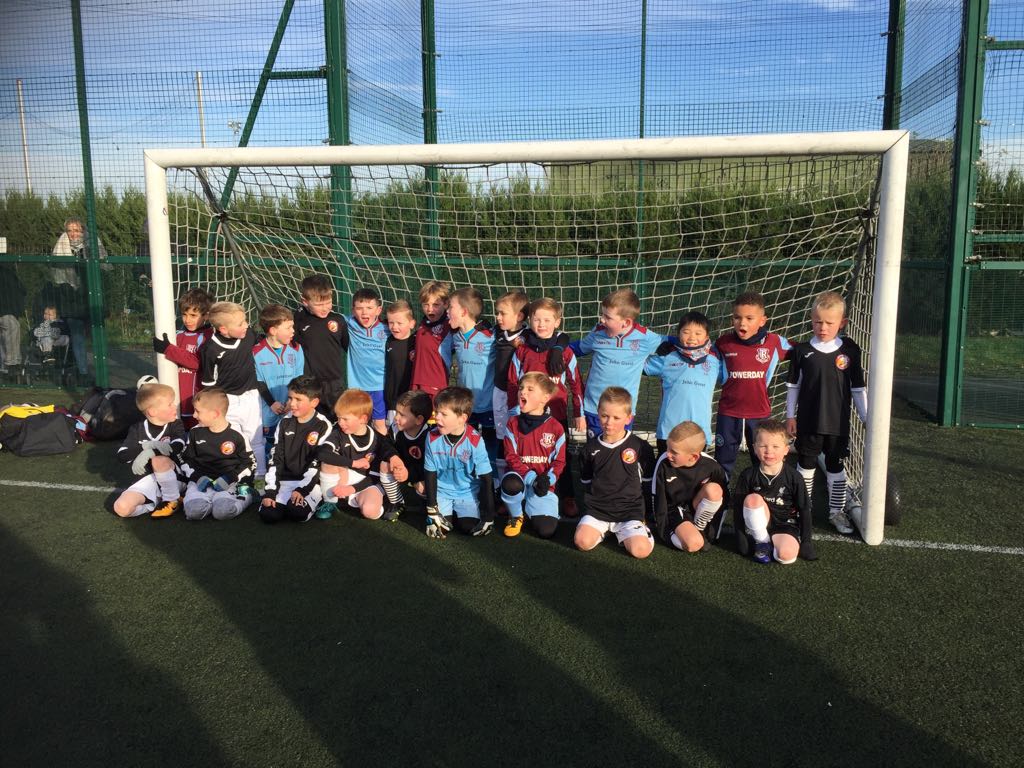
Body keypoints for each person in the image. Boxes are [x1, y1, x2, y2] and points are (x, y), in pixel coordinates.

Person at [785, 290, 868, 535]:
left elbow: (857, 387)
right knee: (806, 464)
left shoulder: (850, 350)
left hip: (838, 424)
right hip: (809, 422)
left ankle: (836, 512)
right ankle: (804, 509)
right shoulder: (801, 351)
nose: (822, 327)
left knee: (836, 467)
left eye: (829, 323)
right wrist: (790, 416)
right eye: (817, 321)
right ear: (811, 319)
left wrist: (866, 417)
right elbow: (793, 387)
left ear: (842, 323)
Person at [506, 297, 584, 516]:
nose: (541, 324)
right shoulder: (522, 349)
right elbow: (513, 382)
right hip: (527, 414)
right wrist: (515, 409)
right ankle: (516, 494)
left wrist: (578, 413)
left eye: (547, 320)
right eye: (536, 319)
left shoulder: (565, 352)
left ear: (557, 322)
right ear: (530, 320)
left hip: (556, 415)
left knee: (560, 457)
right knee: (526, 454)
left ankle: (567, 496)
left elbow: (576, 383)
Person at [570, 288, 667, 439]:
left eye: (607, 317)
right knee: (596, 451)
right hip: (594, 407)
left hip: (623, 411)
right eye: (602, 315)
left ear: (626, 322)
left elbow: (674, 344)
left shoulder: (645, 337)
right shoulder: (598, 332)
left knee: (618, 452)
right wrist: (556, 346)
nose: (602, 320)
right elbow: (578, 348)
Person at [714, 291, 790, 478]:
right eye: (737, 317)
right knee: (723, 461)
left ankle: (764, 496)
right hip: (729, 412)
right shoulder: (723, 343)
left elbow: (803, 352)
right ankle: (721, 502)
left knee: (764, 459)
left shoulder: (774, 342)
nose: (742, 323)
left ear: (762, 321)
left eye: (749, 318)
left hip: (759, 413)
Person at [575, 386, 657, 559]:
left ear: (629, 418)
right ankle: (604, 530)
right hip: (598, 511)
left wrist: (645, 512)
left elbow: (648, 483)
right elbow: (586, 483)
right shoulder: (589, 449)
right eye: (604, 416)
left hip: (629, 512)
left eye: (616, 417)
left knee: (640, 551)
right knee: (582, 542)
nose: (609, 422)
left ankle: (638, 530)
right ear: (598, 413)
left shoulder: (640, 447)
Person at [733, 419, 816, 565]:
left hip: (785, 524)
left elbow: (804, 509)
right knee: (752, 499)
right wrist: (740, 536)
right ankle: (762, 542)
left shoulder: (794, 477)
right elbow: (739, 508)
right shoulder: (748, 475)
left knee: (786, 556)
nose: (769, 451)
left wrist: (806, 542)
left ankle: (772, 544)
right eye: (763, 445)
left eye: (775, 446)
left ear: (786, 450)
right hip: (758, 523)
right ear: (754, 447)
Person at [197, 301, 265, 477]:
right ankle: (235, 475)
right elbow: (209, 384)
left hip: (251, 396)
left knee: (256, 438)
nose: (247, 326)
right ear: (223, 329)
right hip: (228, 401)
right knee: (231, 440)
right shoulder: (210, 350)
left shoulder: (249, 335)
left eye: (245, 321)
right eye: (240, 323)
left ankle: (260, 476)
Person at [422, 386, 496, 538]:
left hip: (467, 492)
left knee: (468, 527)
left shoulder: (475, 441)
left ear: (462, 418)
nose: (437, 417)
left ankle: (461, 512)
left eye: (444, 414)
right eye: (437, 412)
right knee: (441, 528)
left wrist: (489, 517)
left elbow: (487, 479)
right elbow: (430, 473)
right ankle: (445, 512)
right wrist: (431, 509)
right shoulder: (431, 437)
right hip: (442, 491)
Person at [644, 311, 720, 456]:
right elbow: (635, 365)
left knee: (694, 476)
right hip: (669, 431)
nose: (692, 337)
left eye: (698, 333)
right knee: (666, 474)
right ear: (678, 334)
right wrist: (654, 349)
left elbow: (733, 375)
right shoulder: (668, 357)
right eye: (686, 332)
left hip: (699, 433)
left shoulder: (715, 361)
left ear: (707, 337)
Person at [260, 376, 333, 524]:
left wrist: (302, 490)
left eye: (298, 400)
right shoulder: (285, 423)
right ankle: (280, 501)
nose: (291, 404)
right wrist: (270, 491)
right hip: (284, 481)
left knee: (296, 512)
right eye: (290, 398)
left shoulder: (323, 425)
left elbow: (317, 463)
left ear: (314, 402)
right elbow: (276, 458)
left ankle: (312, 501)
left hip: (308, 483)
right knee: (269, 515)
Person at [501, 372, 566, 539]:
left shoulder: (556, 428)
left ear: (544, 398)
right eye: (521, 388)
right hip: (521, 479)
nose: (523, 392)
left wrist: (547, 480)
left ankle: (532, 505)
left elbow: (559, 462)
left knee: (546, 531)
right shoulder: (512, 423)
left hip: (542, 484)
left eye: (530, 389)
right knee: (511, 483)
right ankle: (516, 515)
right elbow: (510, 456)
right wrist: (531, 478)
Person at [316, 388, 397, 521]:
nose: (340, 422)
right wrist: (354, 463)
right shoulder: (338, 432)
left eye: (345, 419)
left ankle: (365, 499)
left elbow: (375, 477)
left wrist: (352, 489)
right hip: (346, 475)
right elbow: (322, 453)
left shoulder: (377, 440)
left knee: (370, 511)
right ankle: (329, 501)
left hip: (368, 483)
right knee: (329, 461)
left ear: (363, 419)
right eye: (339, 418)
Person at [178, 387, 257, 521]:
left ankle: (247, 496)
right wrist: (197, 478)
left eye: (197, 411)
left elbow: (250, 464)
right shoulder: (194, 433)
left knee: (222, 512)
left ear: (215, 414)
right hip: (200, 481)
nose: (194, 416)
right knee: (194, 512)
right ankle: (208, 500)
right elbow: (185, 460)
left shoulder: (237, 435)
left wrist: (229, 478)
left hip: (228, 483)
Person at [112, 383, 187, 518]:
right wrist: (144, 447)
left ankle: (171, 501)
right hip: (149, 479)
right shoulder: (137, 429)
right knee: (121, 508)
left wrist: (151, 452)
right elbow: (122, 456)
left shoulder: (175, 424)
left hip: (175, 478)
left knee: (158, 460)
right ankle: (154, 504)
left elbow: (177, 447)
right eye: (170, 404)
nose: (174, 406)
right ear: (152, 412)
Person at [650, 421, 728, 552]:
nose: (668, 454)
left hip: (695, 508)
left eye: (674, 452)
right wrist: (663, 531)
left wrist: (715, 534)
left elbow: (725, 500)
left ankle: (698, 527)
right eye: (668, 448)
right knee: (693, 544)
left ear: (693, 457)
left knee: (714, 490)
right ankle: (691, 535)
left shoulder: (711, 466)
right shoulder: (663, 464)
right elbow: (657, 500)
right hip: (674, 511)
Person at [448, 287, 499, 470]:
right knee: (465, 442)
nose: (447, 312)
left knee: (490, 445)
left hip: (488, 405)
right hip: (465, 405)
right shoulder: (455, 337)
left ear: (463, 311)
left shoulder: (490, 336)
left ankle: (493, 483)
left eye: (450, 307)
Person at [48, 217, 107, 377]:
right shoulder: (61, 246)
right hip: (71, 301)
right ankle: (83, 372)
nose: (73, 234)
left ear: (83, 231)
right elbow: (58, 276)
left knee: (96, 337)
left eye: (77, 230)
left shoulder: (92, 244)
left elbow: (103, 269)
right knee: (78, 337)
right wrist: (69, 290)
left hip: (92, 299)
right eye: (70, 230)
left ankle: (101, 372)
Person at [151, 287, 214, 428]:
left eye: (193, 315)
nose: (187, 320)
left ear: (206, 316)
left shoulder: (208, 337)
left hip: (196, 398)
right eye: (184, 314)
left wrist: (168, 349)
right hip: (175, 396)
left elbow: (196, 362)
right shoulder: (177, 335)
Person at [253, 303, 306, 465]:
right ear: (273, 330)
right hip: (269, 410)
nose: (293, 331)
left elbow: (299, 380)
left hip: (291, 408)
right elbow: (258, 381)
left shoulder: (296, 349)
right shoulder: (255, 352)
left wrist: (292, 401)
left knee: (290, 445)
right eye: (288, 327)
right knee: (268, 448)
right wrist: (272, 403)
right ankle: (265, 480)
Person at [293, 274, 348, 419]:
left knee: (339, 420)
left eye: (328, 302)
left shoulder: (338, 320)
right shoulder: (298, 320)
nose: (325, 308)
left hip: (335, 383)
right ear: (305, 301)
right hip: (310, 384)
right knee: (312, 423)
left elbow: (347, 346)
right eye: (319, 304)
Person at [491, 290, 529, 479]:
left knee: (519, 434)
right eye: (497, 313)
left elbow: (559, 338)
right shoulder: (497, 332)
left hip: (519, 393)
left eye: (503, 313)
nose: (498, 317)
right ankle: (501, 481)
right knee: (501, 435)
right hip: (499, 390)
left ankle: (522, 475)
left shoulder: (528, 336)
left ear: (519, 316)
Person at [378, 389, 432, 522]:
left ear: (419, 419)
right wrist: (393, 457)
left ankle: (430, 503)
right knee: (385, 465)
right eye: (396, 412)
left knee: (424, 487)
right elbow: (385, 444)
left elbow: (431, 466)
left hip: (420, 473)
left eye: (402, 415)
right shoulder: (396, 428)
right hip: (401, 468)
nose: (396, 417)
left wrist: (410, 474)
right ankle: (397, 503)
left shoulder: (430, 436)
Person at [345, 288, 389, 434]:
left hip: (379, 386)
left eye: (370, 308)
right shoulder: (349, 324)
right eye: (359, 308)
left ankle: (384, 455)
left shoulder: (388, 328)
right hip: (356, 387)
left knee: (379, 424)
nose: (364, 313)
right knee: (355, 424)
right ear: (353, 310)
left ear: (378, 310)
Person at [409, 280, 454, 403]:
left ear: (445, 304)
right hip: (416, 382)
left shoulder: (450, 325)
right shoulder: (423, 325)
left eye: (435, 305)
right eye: (425, 304)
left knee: (434, 421)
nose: (430, 309)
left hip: (436, 386)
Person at [382, 300, 417, 428]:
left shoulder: (417, 342)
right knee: (395, 434)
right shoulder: (387, 341)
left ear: (412, 323)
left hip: (411, 400)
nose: (394, 327)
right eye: (391, 323)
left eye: (399, 323)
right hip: (392, 401)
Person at [0, 263, 25, 374]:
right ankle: (11, 363)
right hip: (6, 311)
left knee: (11, 327)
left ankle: (11, 363)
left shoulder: (8, 273)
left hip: (6, 311)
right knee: (12, 326)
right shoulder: (8, 273)